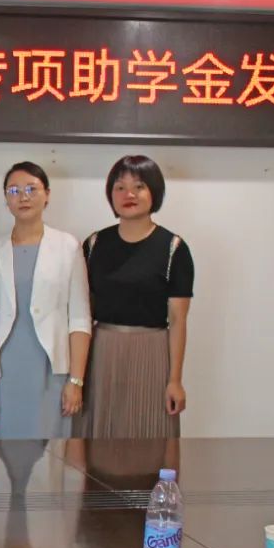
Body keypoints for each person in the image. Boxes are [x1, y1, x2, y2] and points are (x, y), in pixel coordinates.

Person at [78, 155, 193, 439]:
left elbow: (178, 321)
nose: (128, 194)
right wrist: (76, 376)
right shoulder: (94, 244)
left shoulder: (173, 248)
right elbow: (83, 312)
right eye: (120, 187)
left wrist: (175, 380)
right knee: (99, 438)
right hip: (101, 352)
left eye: (139, 186)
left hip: (152, 353)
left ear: (155, 192)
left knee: (150, 436)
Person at [0, 161, 92, 439]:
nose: (23, 197)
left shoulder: (68, 246)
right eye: (14, 190)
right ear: (6, 198)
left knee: (50, 452)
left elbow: (79, 318)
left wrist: (76, 380)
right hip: (2, 368)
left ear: (47, 195)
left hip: (50, 368)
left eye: (31, 189)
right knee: (1, 452)